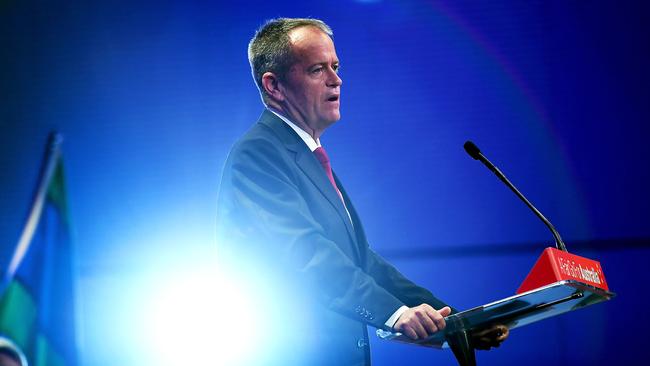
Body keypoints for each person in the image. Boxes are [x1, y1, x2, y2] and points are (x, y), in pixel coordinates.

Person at [216, 18, 506, 365]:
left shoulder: (306, 156)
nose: (336, 79)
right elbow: (305, 253)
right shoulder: (258, 153)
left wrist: (457, 322)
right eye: (316, 69)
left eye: (336, 67)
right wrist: (395, 314)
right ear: (274, 85)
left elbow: (363, 262)